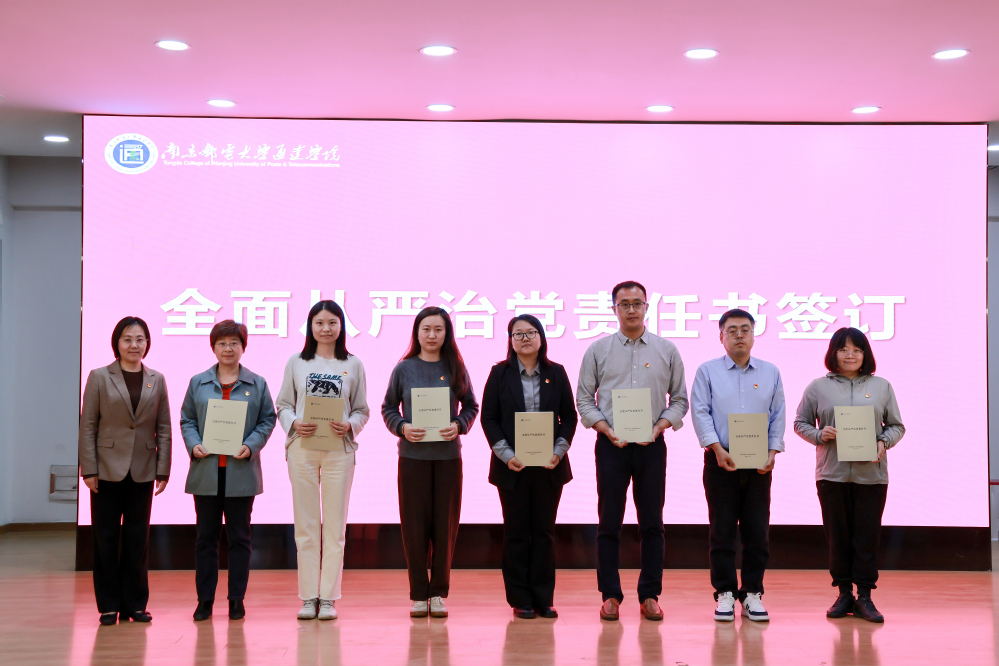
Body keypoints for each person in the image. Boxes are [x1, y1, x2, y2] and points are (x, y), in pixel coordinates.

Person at [576, 281, 688, 622]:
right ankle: (610, 595)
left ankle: (650, 595)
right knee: (609, 522)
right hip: (611, 446)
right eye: (624, 304)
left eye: (637, 303)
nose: (631, 309)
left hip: (651, 445)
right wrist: (605, 428)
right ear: (614, 309)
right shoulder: (598, 350)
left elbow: (680, 400)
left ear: (646, 307)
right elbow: (584, 399)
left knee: (652, 523)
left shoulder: (667, 350)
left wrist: (659, 427)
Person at [794, 327, 904, 623]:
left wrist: (884, 441)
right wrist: (820, 434)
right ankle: (844, 594)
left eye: (857, 349)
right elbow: (800, 423)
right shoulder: (818, 386)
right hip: (832, 474)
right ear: (833, 353)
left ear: (865, 354)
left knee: (867, 537)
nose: (850, 355)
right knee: (838, 537)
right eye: (843, 349)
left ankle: (865, 596)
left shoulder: (882, 386)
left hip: (872, 475)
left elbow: (897, 426)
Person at [381, 307, 479, 618]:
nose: (432, 335)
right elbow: (388, 408)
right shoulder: (404, 368)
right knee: (414, 527)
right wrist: (403, 427)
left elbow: (471, 406)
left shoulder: (456, 367)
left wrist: (459, 425)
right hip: (412, 458)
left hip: (448, 458)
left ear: (447, 333)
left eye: (438, 329)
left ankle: (438, 593)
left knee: (445, 527)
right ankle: (418, 594)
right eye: (426, 329)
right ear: (417, 333)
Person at [276, 301, 370, 621]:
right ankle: (308, 597)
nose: (326, 328)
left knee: (334, 528)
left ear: (341, 326)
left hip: (338, 452)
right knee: (305, 527)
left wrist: (350, 425)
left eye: (332, 322)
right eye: (319, 323)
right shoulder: (297, 362)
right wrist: (294, 422)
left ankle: (328, 597)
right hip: (302, 449)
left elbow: (362, 410)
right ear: (310, 326)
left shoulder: (353, 364)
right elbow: (283, 405)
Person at [690, 309, 785, 623]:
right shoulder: (707, 371)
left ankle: (753, 592)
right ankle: (725, 593)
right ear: (721, 336)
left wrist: (773, 451)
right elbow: (700, 412)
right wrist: (716, 449)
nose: (739, 335)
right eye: (732, 330)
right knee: (722, 530)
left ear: (754, 335)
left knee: (757, 530)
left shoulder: (770, 372)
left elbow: (778, 414)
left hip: (759, 462)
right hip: (721, 459)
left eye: (745, 329)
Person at [480, 314, 577, 620]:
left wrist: (558, 452)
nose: (525, 339)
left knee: (544, 533)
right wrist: (506, 454)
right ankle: (520, 599)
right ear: (510, 341)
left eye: (531, 333)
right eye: (518, 334)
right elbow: (489, 418)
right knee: (516, 533)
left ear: (541, 338)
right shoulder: (499, 373)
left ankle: (544, 598)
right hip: (512, 467)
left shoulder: (556, 372)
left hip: (549, 467)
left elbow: (569, 417)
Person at [180, 320, 276, 621]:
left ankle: (236, 599)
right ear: (213, 347)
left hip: (240, 471)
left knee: (240, 538)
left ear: (243, 347)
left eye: (234, 342)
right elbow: (187, 419)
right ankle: (205, 600)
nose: (228, 348)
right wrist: (194, 444)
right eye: (222, 343)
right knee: (205, 539)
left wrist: (251, 445)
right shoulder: (198, 382)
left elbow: (268, 419)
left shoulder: (257, 383)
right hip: (206, 472)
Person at [79, 316, 171, 626]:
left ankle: (135, 604)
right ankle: (108, 605)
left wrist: (163, 470)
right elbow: (88, 426)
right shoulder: (99, 376)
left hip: (143, 469)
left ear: (147, 343)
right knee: (105, 538)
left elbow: (164, 427)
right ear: (117, 343)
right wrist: (88, 469)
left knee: (137, 540)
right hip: (105, 470)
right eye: (128, 339)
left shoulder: (157, 379)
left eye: (140, 339)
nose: (134, 345)